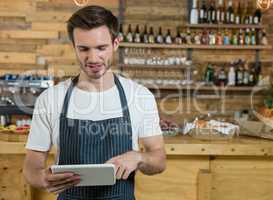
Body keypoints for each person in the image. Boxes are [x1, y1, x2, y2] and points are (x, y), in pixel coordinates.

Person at [23, 5, 166, 200]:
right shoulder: (50, 99)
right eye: (83, 49)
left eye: (101, 48)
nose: (93, 58)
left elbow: (158, 160)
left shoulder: (140, 96)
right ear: (74, 46)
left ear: (116, 43)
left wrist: (139, 157)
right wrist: (41, 178)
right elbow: (31, 167)